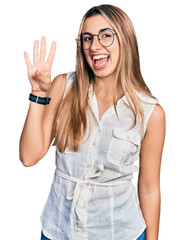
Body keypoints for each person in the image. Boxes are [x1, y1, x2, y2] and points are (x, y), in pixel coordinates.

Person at [19, 4, 165, 240]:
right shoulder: (63, 87)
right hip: (59, 230)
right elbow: (29, 156)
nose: (94, 46)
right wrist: (38, 94)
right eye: (87, 38)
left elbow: (149, 189)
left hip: (121, 233)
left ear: (125, 40)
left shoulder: (151, 113)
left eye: (106, 36)